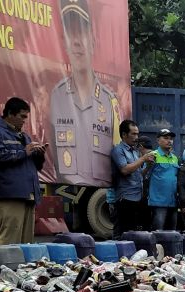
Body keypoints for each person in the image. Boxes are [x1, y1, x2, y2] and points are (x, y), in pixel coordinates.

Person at [50, 0, 122, 185]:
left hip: (102, 191)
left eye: (81, 32)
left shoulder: (110, 101)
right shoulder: (56, 97)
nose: (76, 42)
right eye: (70, 33)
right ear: (64, 44)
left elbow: (118, 150)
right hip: (64, 189)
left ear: (92, 41)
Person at [0, 97, 46, 245]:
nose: (24, 120)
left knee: (26, 243)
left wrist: (39, 155)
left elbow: (35, 166)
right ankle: (6, 267)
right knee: (10, 241)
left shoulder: (25, 136)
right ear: (10, 113)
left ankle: (22, 268)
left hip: (28, 194)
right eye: (22, 116)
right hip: (9, 194)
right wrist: (24, 152)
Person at [110, 120, 153, 237]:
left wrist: (148, 166)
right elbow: (124, 170)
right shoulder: (118, 150)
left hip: (137, 197)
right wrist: (143, 159)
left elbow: (139, 174)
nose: (136, 137)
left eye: (137, 134)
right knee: (123, 234)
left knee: (133, 234)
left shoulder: (134, 152)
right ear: (124, 135)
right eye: (133, 134)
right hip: (125, 198)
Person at [148, 129, 180, 230]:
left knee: (172, 233)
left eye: (171, 139)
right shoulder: (153, 156)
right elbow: (145, 176)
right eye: (165, 138)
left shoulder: (174, 158)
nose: (169, 141)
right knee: (158, 232)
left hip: (173, 201)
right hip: (159, 202)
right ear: (158, 140)